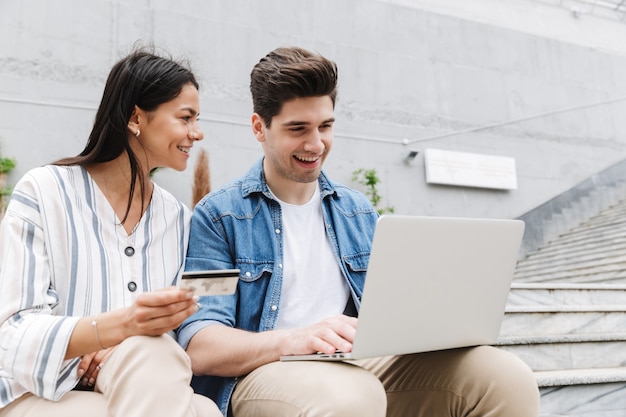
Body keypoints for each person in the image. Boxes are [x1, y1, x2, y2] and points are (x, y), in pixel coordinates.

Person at [178, 46, 540, 417]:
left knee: (506, 378)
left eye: (326, 126)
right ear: (260, 127)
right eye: (298, 129)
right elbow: (201, 344)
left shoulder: (358, 212)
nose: (315, 144)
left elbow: (394, 311)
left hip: (357, 366)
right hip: (266, 373)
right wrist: (295, 338)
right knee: (350, 396)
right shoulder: (219, 216)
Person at [0, 47, 221, 417]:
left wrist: (125, 344)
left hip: (141, 381)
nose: (197, 133)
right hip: (42, 391)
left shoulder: (178, 220)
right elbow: (13, 332)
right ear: (136, 117)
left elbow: (177, 333)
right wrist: (114, 329)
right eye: (186, 118)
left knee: (196, 400)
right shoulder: (44, 192)